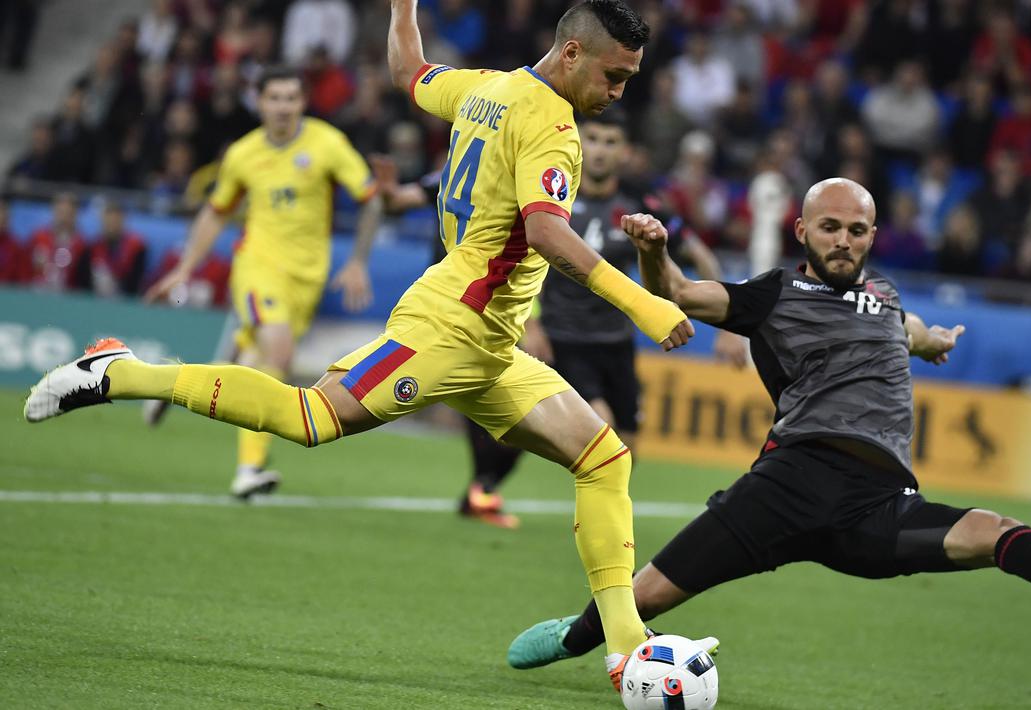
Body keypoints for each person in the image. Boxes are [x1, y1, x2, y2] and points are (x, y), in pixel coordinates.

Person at [25, 0, 702, 694]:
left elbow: (408, 71)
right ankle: (124, 372)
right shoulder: (552, 125)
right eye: (614, 75)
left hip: (490, 343)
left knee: (603, 458)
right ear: (570, 54)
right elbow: (546, 232)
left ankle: (624, 648)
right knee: (313, 418)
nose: (618, 93)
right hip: (448, 329)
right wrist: (643, 301)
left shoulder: (486, 88)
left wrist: (403, 5)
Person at [506, 178, 1031, 671]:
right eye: (830, 227)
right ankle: (573, 639)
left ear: (873, 235)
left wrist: (933, 342)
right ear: (802, 230)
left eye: (857, 229)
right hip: (789, 484)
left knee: (989, 532)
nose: (843, 240)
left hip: (876, 504)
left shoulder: (885, 298)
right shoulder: (774, 293)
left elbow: (909, 330)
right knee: (647, 593)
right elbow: (682, 293)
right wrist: (654, 250)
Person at [454, 108, 747, 529]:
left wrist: (726, 328)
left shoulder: (640, 202)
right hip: (561, 336)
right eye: (592, 139)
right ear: (577, 142)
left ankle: (487, 478)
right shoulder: (553, 195)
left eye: (611, 142)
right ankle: (593, 529)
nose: (600, 151)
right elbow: (516, 257)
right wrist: (531, 323)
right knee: (601, 426)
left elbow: (698, 254)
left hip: (614, 341)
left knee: (628, 448)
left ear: (625, 151)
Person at [140, 65, 385, 499]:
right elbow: (216, 212)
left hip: (307, 278)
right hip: (258, 267)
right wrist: (183, 268)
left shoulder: (327, 143)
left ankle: (174, 384)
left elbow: (370, 198)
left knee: (255, 367)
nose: (283, 107)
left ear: (302, 102)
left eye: (291, 98)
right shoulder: (242, 155)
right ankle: (250, 469)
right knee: (277, 351)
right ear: (259, 102)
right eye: (274, 98)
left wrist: (359, 261)